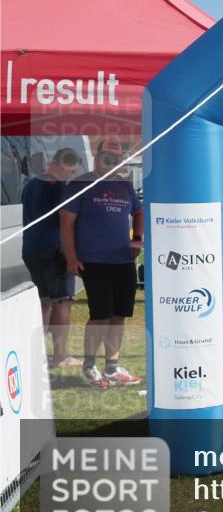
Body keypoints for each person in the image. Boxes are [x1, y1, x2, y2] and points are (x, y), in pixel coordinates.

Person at [60, 139, 143, 388]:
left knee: (119, 315)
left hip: (123, 260)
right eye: (107, 157)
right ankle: (89, 366)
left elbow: (139, 212)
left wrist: (137, 239)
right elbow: (66, 224)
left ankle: (112, 368)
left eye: (116, 160)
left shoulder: (124, 186)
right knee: (100, 316)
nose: (111, 163)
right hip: (93, 261)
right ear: (96, 157)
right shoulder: (79, 185)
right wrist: (71, 258)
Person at [21, 147, 83, 368]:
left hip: (30, 248)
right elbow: (66, 219)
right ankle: (60, 356)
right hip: (52, 249)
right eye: (72, 171)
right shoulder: (58, 187)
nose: (72, 175)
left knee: (44, 302)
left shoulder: (30, 185)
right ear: (63, 164)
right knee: (62, 302)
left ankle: (36, 353)